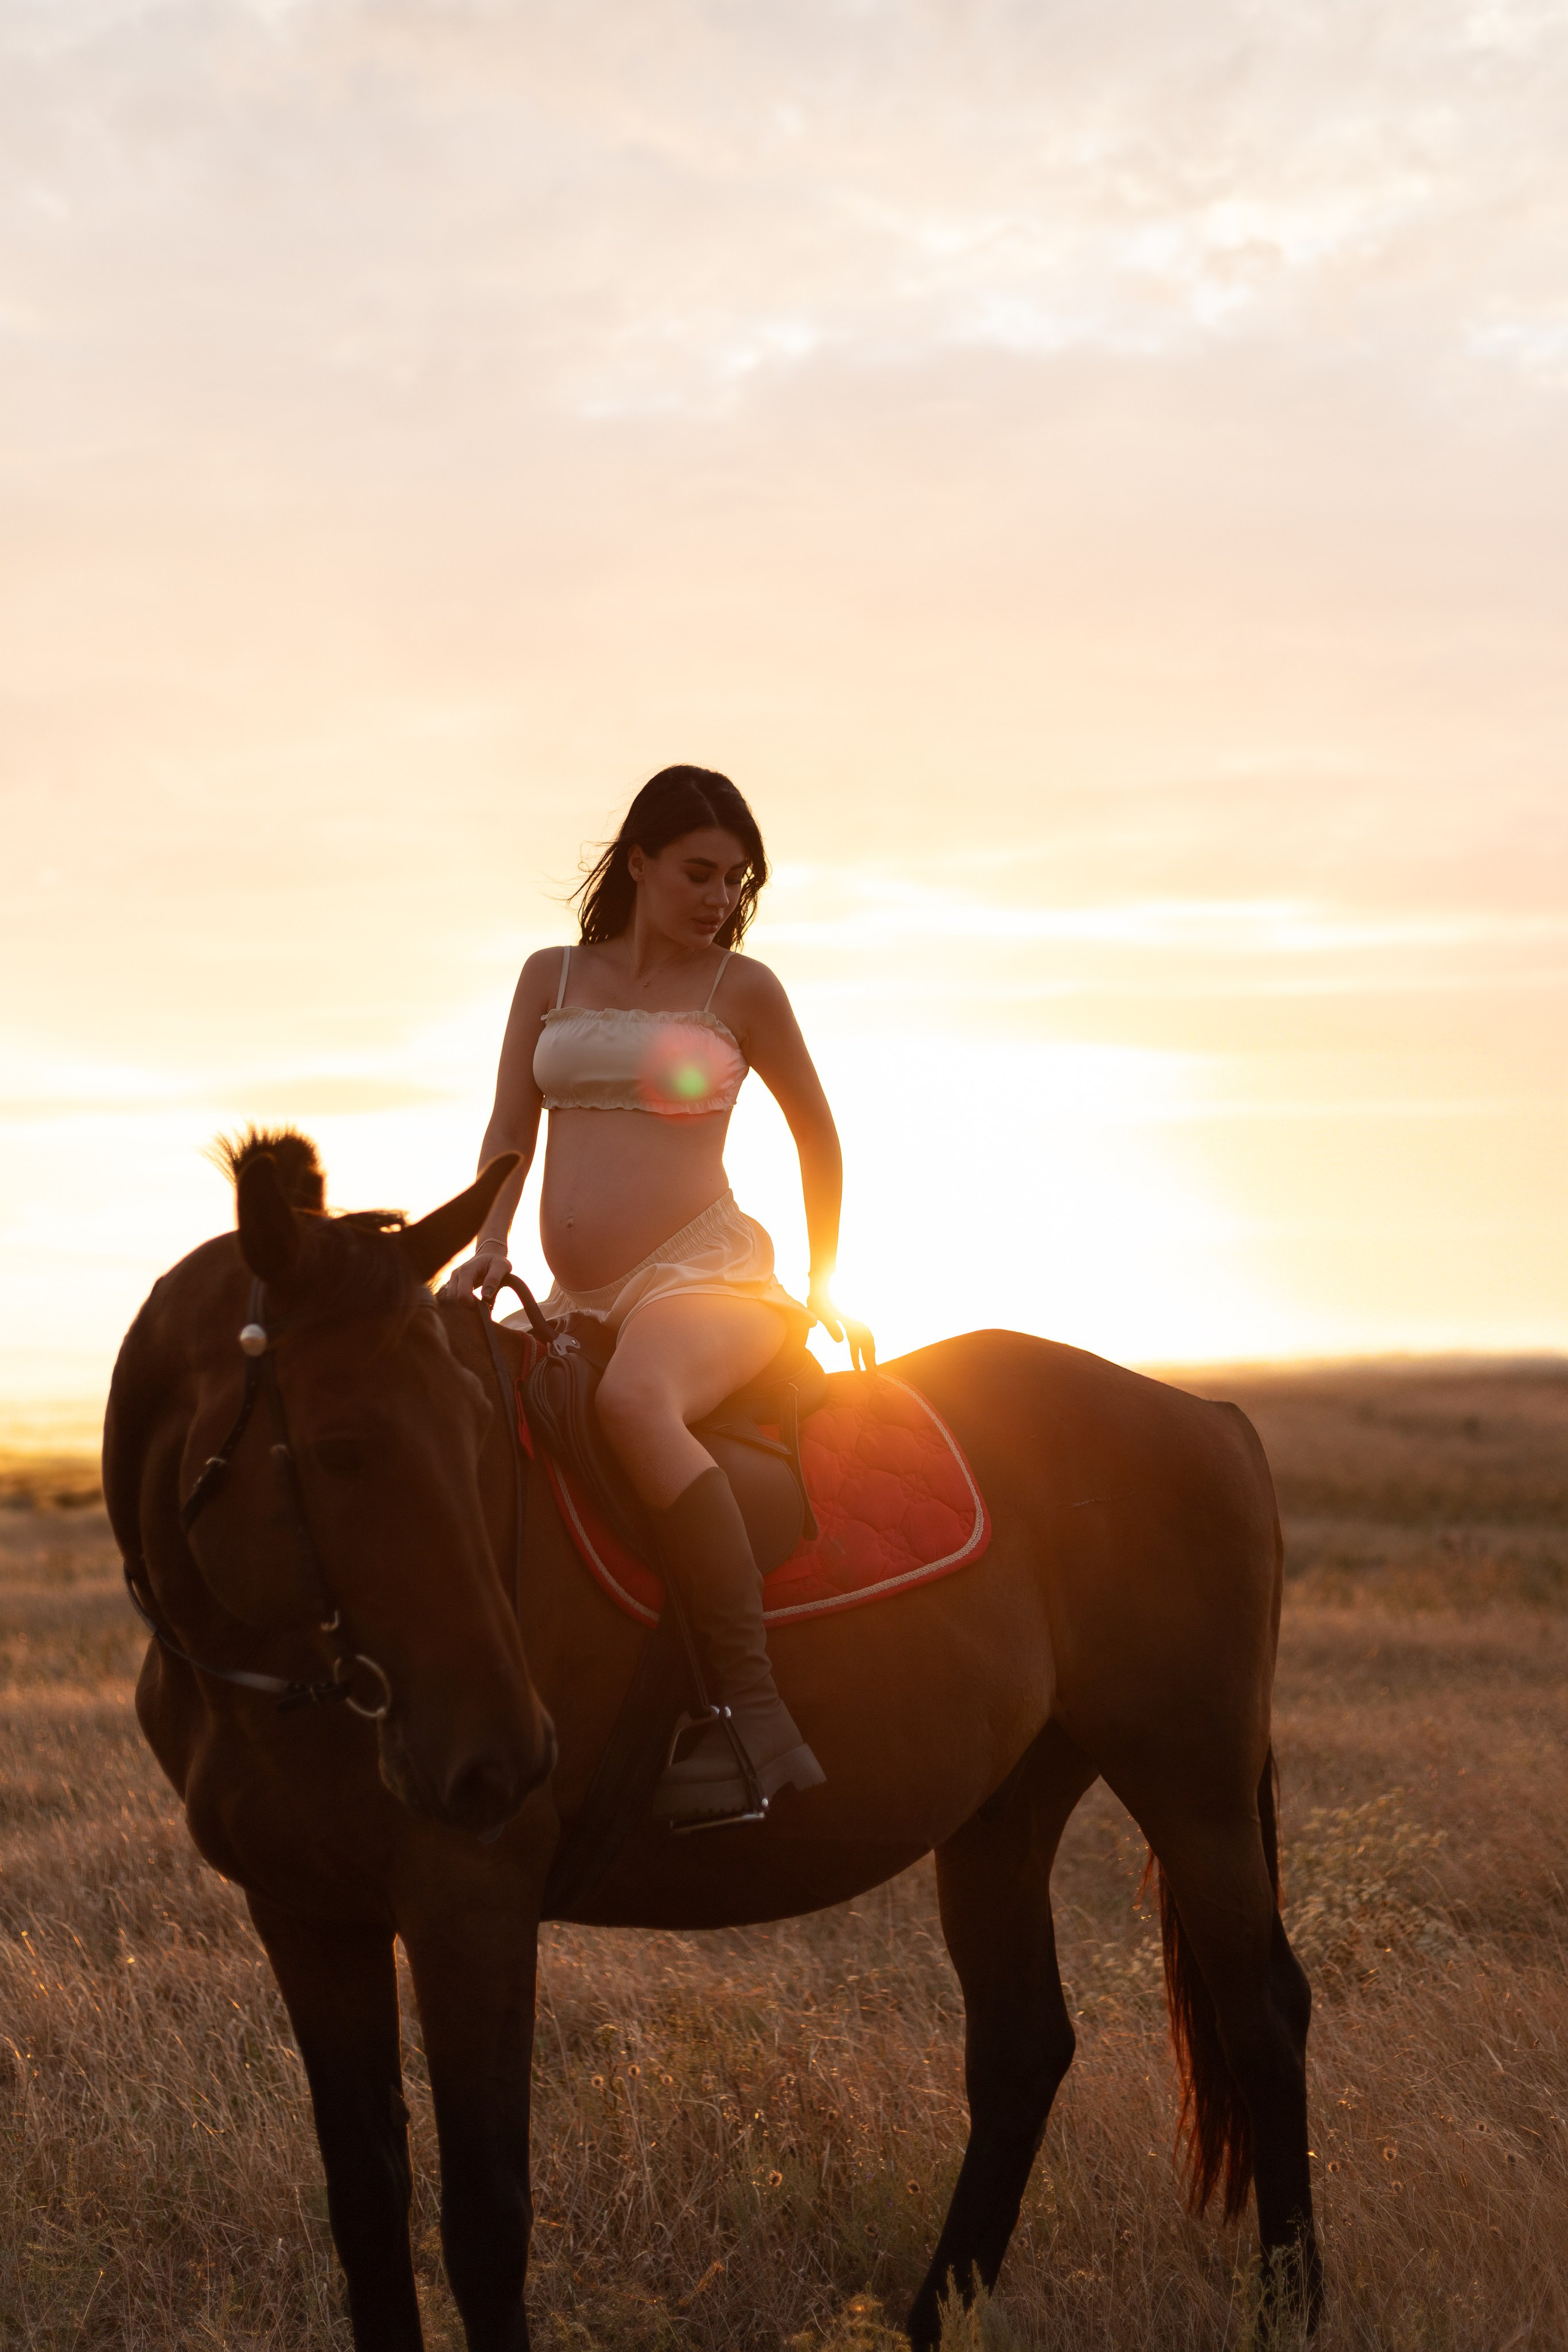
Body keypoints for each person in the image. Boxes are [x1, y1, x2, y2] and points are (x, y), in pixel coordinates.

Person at [442, 765, 858, 1825]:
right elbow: (508, 1129)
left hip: (705, 1274)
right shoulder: (552, 975)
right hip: (581, 1297)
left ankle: (750, 1718)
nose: (721, 897)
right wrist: (489, 1242)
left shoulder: (741, 991)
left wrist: (824, 1281)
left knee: (635, 1405)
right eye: (699, 873)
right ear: (638, 860)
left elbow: (817, 1133)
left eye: (737, 879)